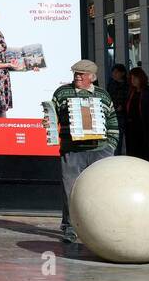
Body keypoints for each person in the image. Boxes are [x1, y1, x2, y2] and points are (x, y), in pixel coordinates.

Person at [45, 59, 119, 244]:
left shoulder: (103, 95)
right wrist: (48, 123)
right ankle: (70, 227)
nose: (78, 76)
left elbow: (112, 122)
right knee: (70, 189)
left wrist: (110, 146)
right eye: (76, 73)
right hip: (72, 151)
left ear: (92, 77)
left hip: (100, 150)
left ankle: (98, 226)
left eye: (82, 74)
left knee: (99, 190)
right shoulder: (62, 93)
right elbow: (51, 116)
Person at [122, 67, 149, 167]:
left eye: (135, 78)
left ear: (141, 78)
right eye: (131, 78)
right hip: (132, 128)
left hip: (145, 128)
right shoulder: (131, 92)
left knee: (146, 154)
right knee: (133, 153)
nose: (133, 81)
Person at [106, 64, 129, 155]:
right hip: (113, 114)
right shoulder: (111, 84)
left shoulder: (127, 85)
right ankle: (116, 155)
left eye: (116, 72)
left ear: (122, 73)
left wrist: (122, 106)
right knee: (116, 137)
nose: (114, 74)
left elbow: (128, 98)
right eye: (113, 72)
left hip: (125, 115)